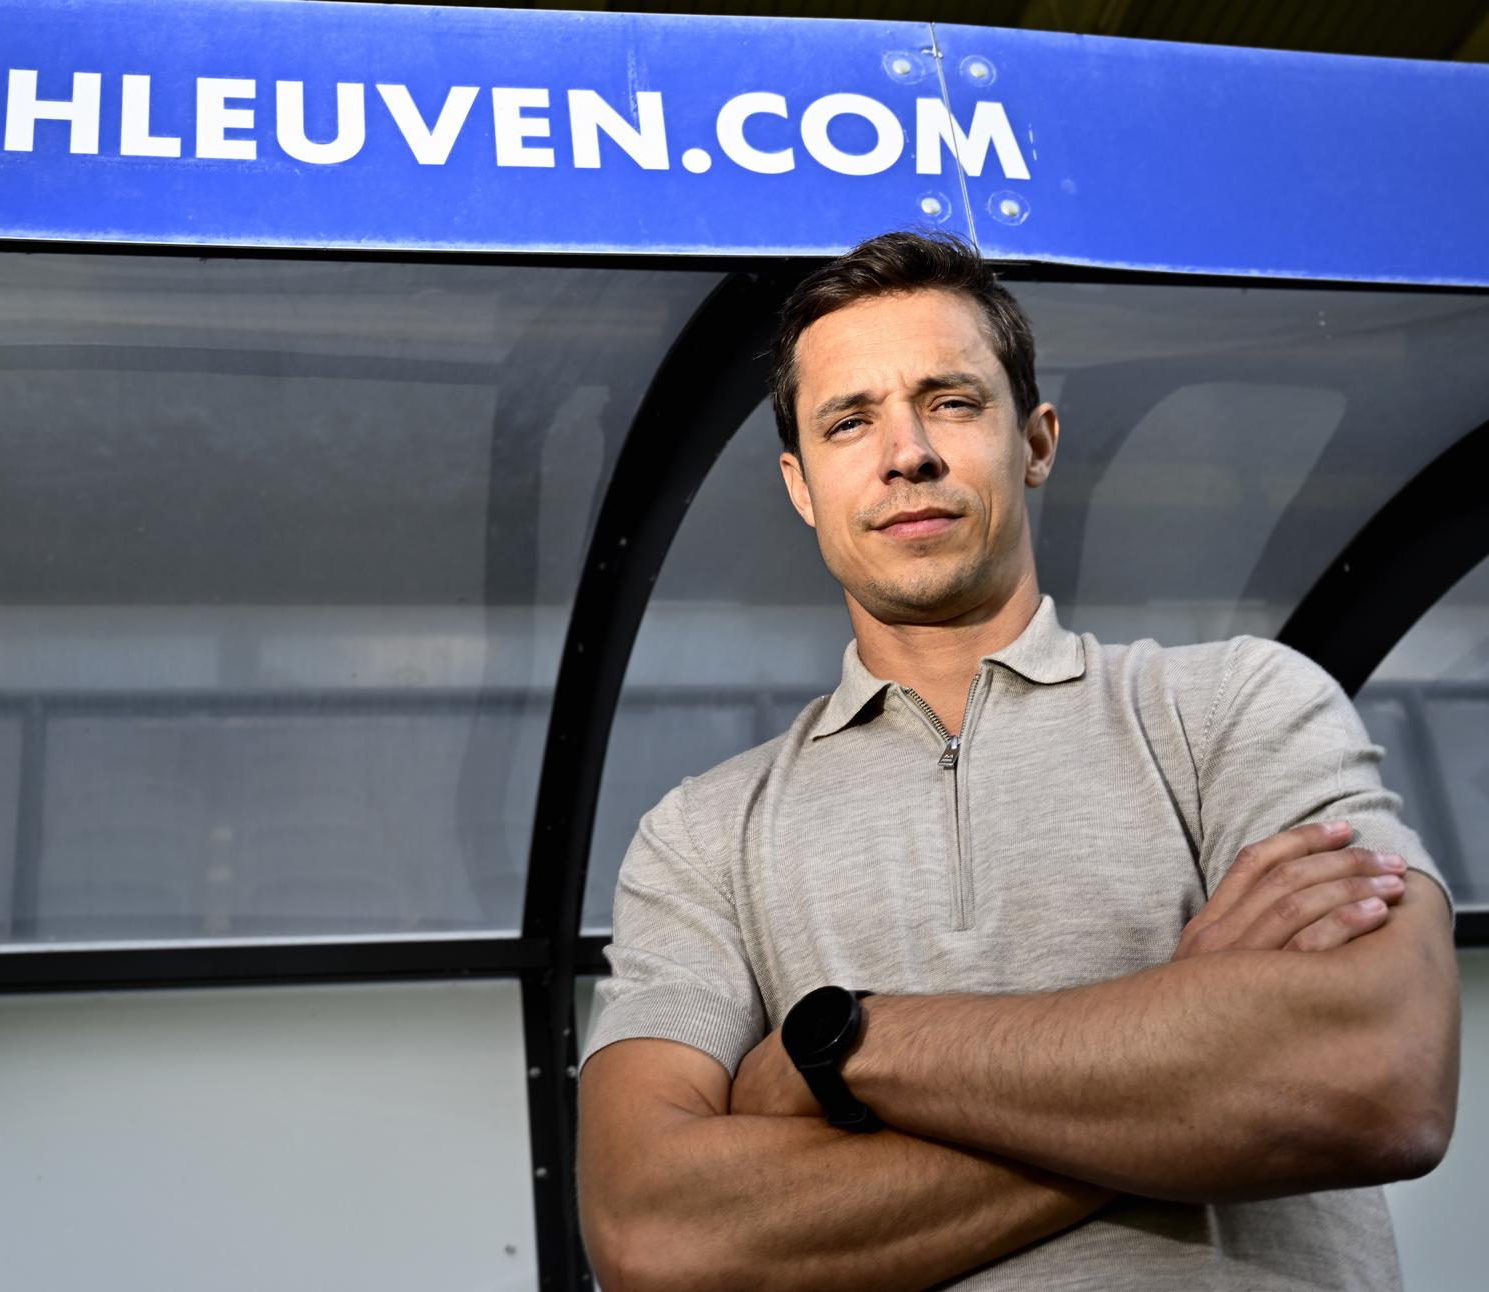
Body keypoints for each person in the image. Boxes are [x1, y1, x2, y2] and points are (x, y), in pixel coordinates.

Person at [575, 230, 1461, 1291]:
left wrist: (843, 1049)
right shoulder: (702, 833)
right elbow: (656, 1236)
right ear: (800, 484)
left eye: (950, 400)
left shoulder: (1234, 705)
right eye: (849, 420)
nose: (907, 451)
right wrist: (1183, 1054)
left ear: (1036, 440)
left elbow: (1376, 1073)